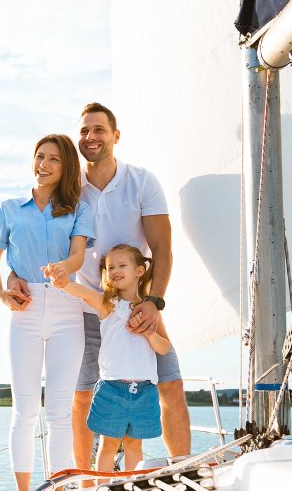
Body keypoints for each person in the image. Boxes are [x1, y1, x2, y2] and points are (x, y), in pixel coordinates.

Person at [11, 102, 192, 469]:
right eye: (84, 131)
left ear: (115, 136)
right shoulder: (68, 190)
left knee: (170, 385)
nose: (90, 137)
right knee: (80, 397)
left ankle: (184, 467)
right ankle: (85, 479)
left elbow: (162, 248)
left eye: (98, 130)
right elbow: (33, 239)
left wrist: (153, 302)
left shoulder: (142, 182)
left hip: (138, 305)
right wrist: (14, 276)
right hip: (84, 309)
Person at [0, 134, 94, 491]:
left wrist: (63, 268)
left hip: (66, 309)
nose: (43, 165)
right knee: (25, 410)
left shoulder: (78, 209)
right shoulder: (9, 208)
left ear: (66, 168)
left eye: (53, 160)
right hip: (25, 311)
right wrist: (2, 291)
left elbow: (78, 257)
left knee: (60, 412)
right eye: (39, 157)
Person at [51, 244, 170, 471]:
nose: (115, 270)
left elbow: (163, 348)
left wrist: (149, 332)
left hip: (144, 390)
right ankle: (103, 487)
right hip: (111, 389)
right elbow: (84, 293)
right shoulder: (108, 305)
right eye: (110, 267)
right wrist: (63, 282)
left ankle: (132, 487)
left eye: (122, 265)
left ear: (139, 271)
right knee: (109, 444)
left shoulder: (150, 311)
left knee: (135, 445)